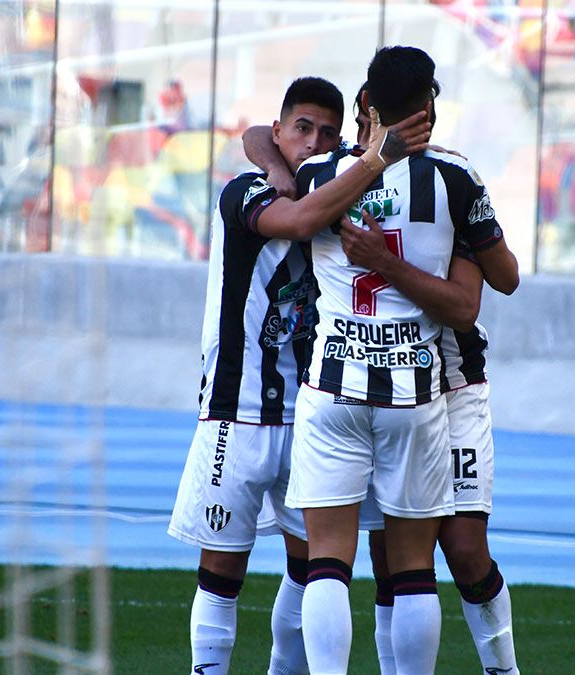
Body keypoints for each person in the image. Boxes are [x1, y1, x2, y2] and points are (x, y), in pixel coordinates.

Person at [167, 76, 430, 675]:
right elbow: (295, 216)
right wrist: (280, 161)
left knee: (312, 567)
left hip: (311, 411)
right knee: (221, 570)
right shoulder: (245, 191)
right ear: (281, 129)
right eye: (302, 128)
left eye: (327, 133)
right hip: (235, 412)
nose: (313, 141)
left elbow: (297, 152)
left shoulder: (338, 184)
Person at [281, 45, 503, 674]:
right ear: (427, 105)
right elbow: (491, 284)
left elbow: (288, 196)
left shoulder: (319, 175)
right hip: (414, 394)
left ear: (367, 104)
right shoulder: (455, 178)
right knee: (411, 569)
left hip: (333, 385)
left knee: (327, 561)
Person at [341, 84, 521, 675]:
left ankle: (503, 669)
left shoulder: (451, 179)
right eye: (361, 121)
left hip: (453, 386)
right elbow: (261, 141)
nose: (362, 133)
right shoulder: (340, 176)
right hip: (376, 384)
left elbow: (498, 283)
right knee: (387, 557)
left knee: (465, 551)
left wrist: (470, 220)